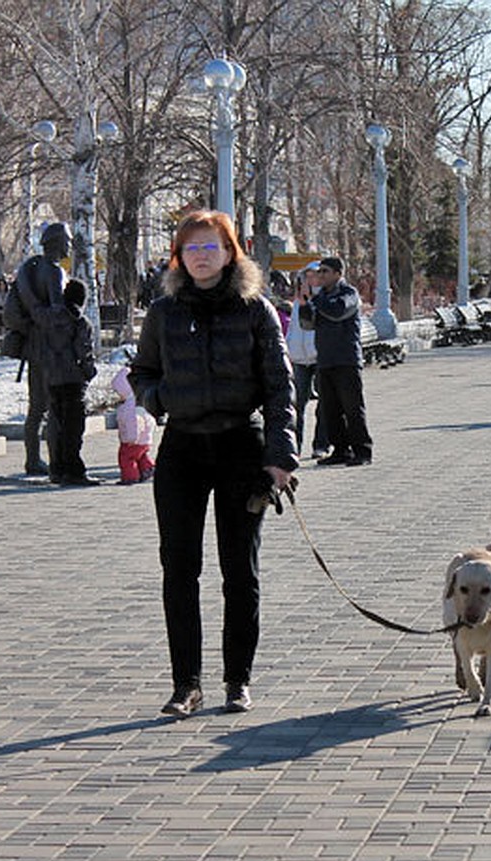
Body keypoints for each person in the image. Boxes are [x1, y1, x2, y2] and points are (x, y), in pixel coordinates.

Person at [130, 209, 297, 719]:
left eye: (212, 246)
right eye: (192, 248)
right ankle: (186, 685)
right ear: (180, 257)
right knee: (178, 569)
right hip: (182, 449)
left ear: (230, 252)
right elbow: (142, 373)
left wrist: (280, 459)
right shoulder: (164, 312)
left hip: (239, 449)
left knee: (238, 572)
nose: (202, 256)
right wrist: (162, 399)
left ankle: (236, 681)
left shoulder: (254, 309)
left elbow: (280, 387)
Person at [6, 222, 71, 477]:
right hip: (51, 349)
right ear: (57, 242)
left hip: (33, 347)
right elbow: (57, 311)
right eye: (66, 241)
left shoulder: (30, 269)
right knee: (52, 407)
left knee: (36, 408)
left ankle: (32, 459)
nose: (69, 246)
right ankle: (55, 459)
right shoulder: (53, 272)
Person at [305, 256, 373, 466]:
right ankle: (341, 450)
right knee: (330, 409)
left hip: (346, 359)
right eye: (319, 272)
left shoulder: (349, 294)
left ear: (337, 273)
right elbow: (308, 325)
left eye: (324, 271)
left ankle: (362, 451)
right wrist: (304, 304)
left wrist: (315, 300)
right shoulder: (321, 296)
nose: (320, 276)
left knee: (352, 408)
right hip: (325, 360)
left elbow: (337, 312)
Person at [41, 278, 98, 486]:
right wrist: (89, 372)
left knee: (58, 424)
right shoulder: (79, 322)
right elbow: (84, 351)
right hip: (73, 379)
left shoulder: (49, 319)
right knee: (74, 428)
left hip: (52, 378)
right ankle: (74, 470)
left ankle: (57, 468)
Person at [286, 263, 331, 459]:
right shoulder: (297, 301)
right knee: (297, 403)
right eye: (307, 277)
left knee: (325, 403)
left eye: (314, 276)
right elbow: (294, 328)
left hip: (320, 356)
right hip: (298, 357)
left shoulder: (324, 299)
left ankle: (321, 444)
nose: (310, 280)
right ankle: (294, 446)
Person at [111, 365, 156, 484]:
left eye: (118, 391)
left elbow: (134, 423)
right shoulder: (139, 399)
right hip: (144, 440)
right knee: (141, 457)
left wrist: (132, 438)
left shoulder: (129, 406)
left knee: (126, 458)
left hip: (133, 441)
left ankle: (130, 477)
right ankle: (148, 468)